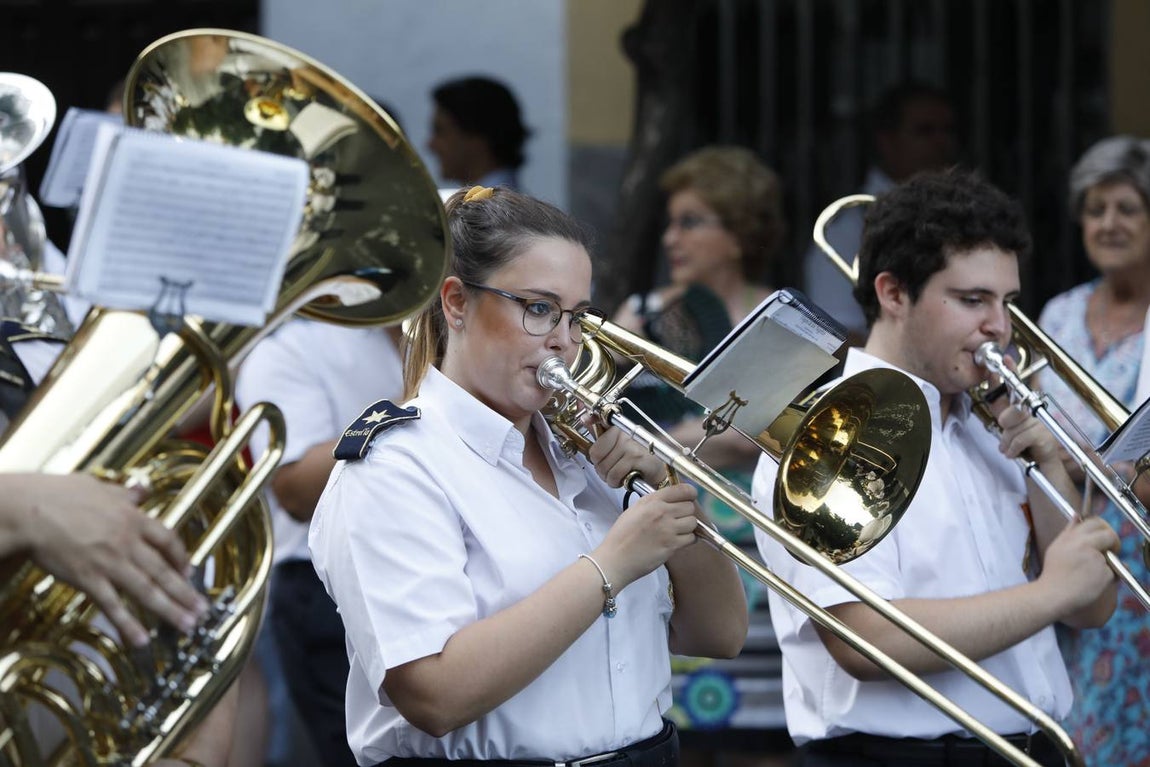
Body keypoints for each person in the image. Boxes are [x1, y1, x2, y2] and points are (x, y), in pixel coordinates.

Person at [309, 185, 747, 766]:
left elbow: (719, 635)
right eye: (539, 308)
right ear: (457, 303)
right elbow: (434, 695)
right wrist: (612, 563)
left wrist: (669, 490)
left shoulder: (588, 455)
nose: (563, 341)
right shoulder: (395, 467)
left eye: (578, 316)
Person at [753, 169, 1119, 767]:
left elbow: (1091, 606)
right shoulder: (837, 429)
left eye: (1007, 303)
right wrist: (1049, 594)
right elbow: (866, 641)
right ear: (894, 294)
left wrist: (1050, 466)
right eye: (972, 300)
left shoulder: (988, 425)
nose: (999, 326)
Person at [612, 145, 793, 765]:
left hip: (770, 546)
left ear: (740, 232)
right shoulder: (638, 317)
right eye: (670, 222)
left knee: (765, 734)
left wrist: (677, 436)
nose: (671, 237)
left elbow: (795, 436)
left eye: (691, 221)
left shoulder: (786, 322)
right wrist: (725, 437)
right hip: (680, 538)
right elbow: (604, 421)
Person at [236, 318, 405, 766]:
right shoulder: (288, 350)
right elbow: (294, 489)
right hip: (327, 590)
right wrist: (423, 403)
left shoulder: (451, 334)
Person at [1035, 135, 1150, 765]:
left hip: (1139, 548)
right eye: (1095, 208)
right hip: (1058, 537)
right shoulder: (1060, 311)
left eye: (1127, 208)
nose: (1108, 224)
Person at [803, 82, 957, 340]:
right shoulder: (848, 227)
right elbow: (836, 335)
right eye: (925, 131)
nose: (942, 142)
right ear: (887, 141)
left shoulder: (958, 215)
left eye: (948, 131)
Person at [427, 76, 530, 189]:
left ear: (476, 137)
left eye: (440, 131)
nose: (431, 145)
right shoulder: (512, 202)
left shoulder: (494, 204)